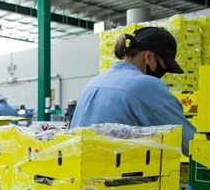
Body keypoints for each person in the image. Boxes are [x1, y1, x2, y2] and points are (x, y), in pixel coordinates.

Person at [71, 26, 195, 156]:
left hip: (79, 170)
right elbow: (188, 141)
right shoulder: (147, 85)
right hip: (119, 172)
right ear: (149, 56)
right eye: (163, 66)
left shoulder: (94, 82)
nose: (162, 73)